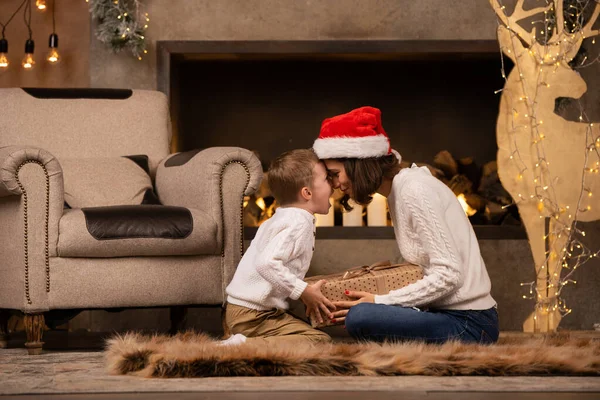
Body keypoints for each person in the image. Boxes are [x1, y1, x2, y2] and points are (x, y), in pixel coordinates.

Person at [312, 106, 499, 344]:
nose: (336, 184)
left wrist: (380, 301)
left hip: (469, 324)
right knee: (362, 313)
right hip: (441, 313)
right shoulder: (399, 190)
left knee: (360, 316)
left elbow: (450, 275)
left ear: (356, 163)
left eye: (335, 173)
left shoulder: (414, 190)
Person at [222, 148, 335, 346]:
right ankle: (240, 346)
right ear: (307, 193)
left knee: (303, 331)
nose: (333, 184)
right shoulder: (298, 223)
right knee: (319, 341)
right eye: (327, 179)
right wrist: (304, 291)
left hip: (244, 310)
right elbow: (266, 264)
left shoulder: (283, 216)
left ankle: (244, 338)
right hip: (251, 315)